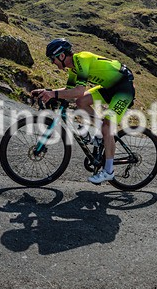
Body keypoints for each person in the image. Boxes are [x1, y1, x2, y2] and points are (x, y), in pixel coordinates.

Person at [32, 38, 135, 184]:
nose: (52, 63)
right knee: (81, 102)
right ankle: (99, 135)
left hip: (123, 88)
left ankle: (108, 172)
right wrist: (47, 91)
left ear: (61, 56)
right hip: (109, 88)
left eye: (52, 59)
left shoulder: (81, 59)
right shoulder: (73, 69)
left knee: (107, 127)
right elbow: (70, 91)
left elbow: (79, 90)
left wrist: (53, 94)